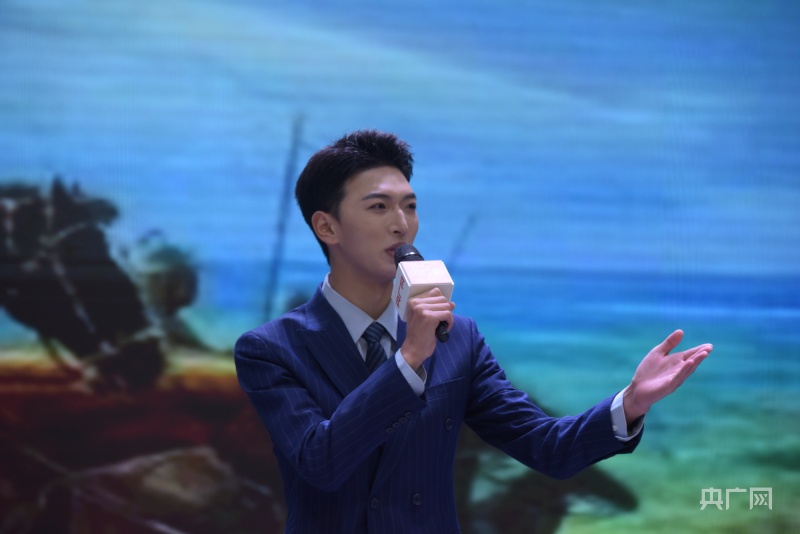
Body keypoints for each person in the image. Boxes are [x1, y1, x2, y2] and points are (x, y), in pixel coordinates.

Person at [234, 129, 712, 533]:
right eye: (378, 207)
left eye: (410, 207)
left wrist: (631, 403)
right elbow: (321, 462)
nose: (402, 226)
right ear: (327, 227)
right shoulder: (271, 348)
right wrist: (408, 361)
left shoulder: (458, 338)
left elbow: (546, 447)